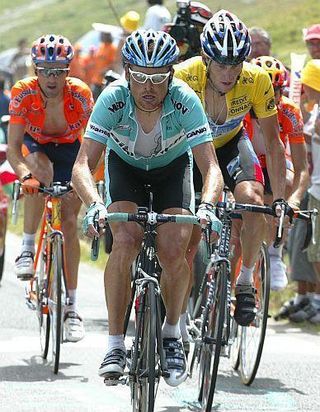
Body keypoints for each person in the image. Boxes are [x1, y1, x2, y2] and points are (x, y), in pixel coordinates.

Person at [72, 29, 224, 386]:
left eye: (158, 78)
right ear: (127, 72)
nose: (149, 87)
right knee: (125, 239)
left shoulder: (185, 100)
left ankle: (171, 333)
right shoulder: (112, 99)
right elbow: (81, 164)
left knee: (174, 248)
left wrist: (207, 207)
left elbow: (211, 168)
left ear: (170, 75)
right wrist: (94, 205)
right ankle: (114, 344)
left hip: (172, 170)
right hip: (125, 170)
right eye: (140, 77)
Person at [174, 10, 287, 327]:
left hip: (232, 143)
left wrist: (278, 199)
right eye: (221, 64)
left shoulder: (256, 80)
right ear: (205, 58)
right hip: (190, 149)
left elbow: (274, 142)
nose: (229, 72)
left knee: (253, 200)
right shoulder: (184, 75)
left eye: (236, 64)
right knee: (187, 238)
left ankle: (245, 280)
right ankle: (178, 321)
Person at [7, 34, 94, 342]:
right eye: (45, 70)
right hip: (35, 147)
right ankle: (28, 250)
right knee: (38, 174)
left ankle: (71, 307)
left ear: (68, 70)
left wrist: (86, 185)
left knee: (69, 221)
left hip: (71, 149)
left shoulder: (81, 95)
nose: (52, 77)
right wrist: (23, 176)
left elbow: (93, 147)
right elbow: (14, 149)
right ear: (36, 70)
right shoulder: (23, 92)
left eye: (58, 70)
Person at [245, 56, 309, 290]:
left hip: (276, 163)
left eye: (276, 92)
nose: (271, 99)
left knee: (287, 182)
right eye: (265, 91)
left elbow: (302, 169)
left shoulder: (290, 111)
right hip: (247, 162)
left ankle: (274, 251)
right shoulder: (240, 106)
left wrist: (294, 199)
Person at [288, 59, 320, 324]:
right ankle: (310, 298)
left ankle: (317, 301)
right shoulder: (316, 111)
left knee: (317, 250)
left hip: (319, 189)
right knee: (311, 249)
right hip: (314, 188)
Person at [91, 31, 117, 100]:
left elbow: (114, 64)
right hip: (96, 79)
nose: (101, 36)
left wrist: (104, 70)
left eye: (103, 34)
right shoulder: (101, 46)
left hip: (104, 80)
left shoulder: (112, 48)